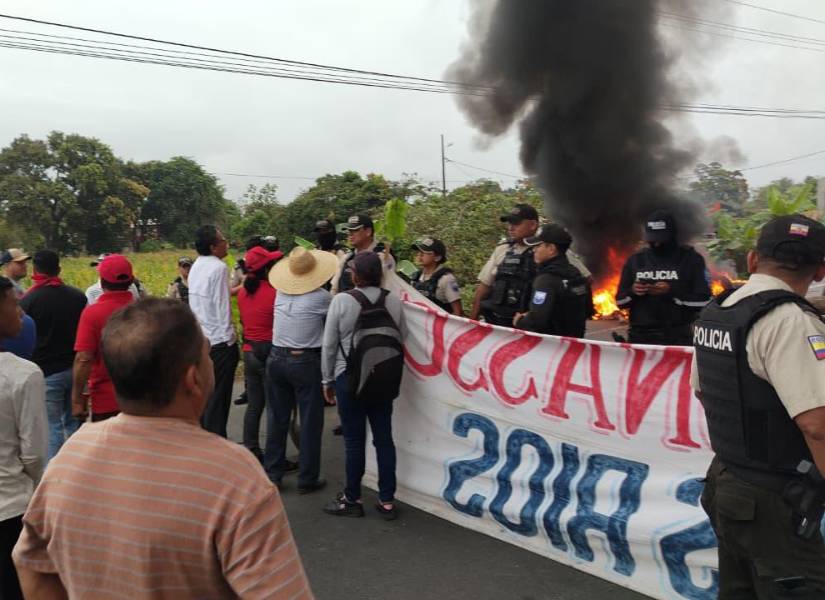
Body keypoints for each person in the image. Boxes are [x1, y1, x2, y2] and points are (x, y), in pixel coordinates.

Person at [13, 298, 313, 599]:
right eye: (206, 354)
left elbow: (30, 564)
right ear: (193, 379)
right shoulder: (235, 475)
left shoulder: (72, 454)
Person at [692, 214, 825, 597]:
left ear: (752, 259)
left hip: (728, 481)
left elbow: (702, 391)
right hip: (776, 497)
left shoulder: (717, 313)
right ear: (820, 270)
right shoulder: (790, 322)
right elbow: (817, 424)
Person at [322, 252, 405, 520]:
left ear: (357, 275)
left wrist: (327, 380)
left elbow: (329, 345)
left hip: (348, 379)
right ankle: (387, 500)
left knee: (354, 441)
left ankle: (352, 499)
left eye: (352, 270)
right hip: (384, 379)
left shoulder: (342, 301)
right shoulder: (393, 300)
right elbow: (402, 337)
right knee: (384, 439)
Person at [265, 247, 338, 491]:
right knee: (309, 421)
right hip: (304, 361)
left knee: (277, 419)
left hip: (276, 357)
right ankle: (307, 479)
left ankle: (273, 474)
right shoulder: (322, 297)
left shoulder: (280, 293)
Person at [0, 276, 47, 600]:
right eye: (14, 303)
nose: (21, 312)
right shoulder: (23, 374)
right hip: (10, 509)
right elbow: (33, 455)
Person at [20, 250, 87, 459]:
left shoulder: (28, 301)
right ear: (59, 268)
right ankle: (77, 466)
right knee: (73, 423)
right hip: (75, 370)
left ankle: (54, 471)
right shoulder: (78, 297)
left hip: (47, 372)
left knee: (52, 427)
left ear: (34, 270)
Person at [615, 209, 711, 345]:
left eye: (661, 239)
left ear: (673, 235)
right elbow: (620, 302)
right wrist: (633, 292)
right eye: (652, 239)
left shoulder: (691, 259)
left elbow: (704, 302)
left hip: (678, 337)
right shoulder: (636, 260)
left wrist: (671, 293)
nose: (656, 244)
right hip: (640, 337)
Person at [189, 225, 240, 438]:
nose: (226, 243)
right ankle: (217, 443)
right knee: (219, 401)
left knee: (206, 399)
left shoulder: (196, 265)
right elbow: (222, 306)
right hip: (220, 343)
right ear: (213, 247)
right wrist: (230, 340)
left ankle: (203, 441)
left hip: (202, 340)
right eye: (222, 240)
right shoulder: (218, 268)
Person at [72, 254, 136, 423]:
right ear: (131, 280)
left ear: (101, 281)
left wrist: (77, 399)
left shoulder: (92, 314)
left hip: (106, 402)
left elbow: (84, 359)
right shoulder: (145, 312)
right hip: (143, 400)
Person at [237, 245, 283, 462]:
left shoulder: (243, 293)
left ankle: (251, 448)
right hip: (269, 352)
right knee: (275, 408)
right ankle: (275, 458)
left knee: (255, 405)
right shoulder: (275, 293)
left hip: (249, 351)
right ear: (266, 269)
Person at [513, 224, 592, 337]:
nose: (534, 250)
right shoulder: (576, 274)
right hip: (574, 342)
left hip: (549, 343)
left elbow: (536, 320)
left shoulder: (546, 280)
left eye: (538, 246)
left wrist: (520, 321)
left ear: (551, 249)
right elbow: (588, 311)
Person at [471, 204, 539, 326]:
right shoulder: (503, 249)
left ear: (533, 225)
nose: (511, 228)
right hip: (498, 323)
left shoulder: (547, 250)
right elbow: (484, 288)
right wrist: (472, 322)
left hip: (528, 326)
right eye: (509, 223)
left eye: (516, 223)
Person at [330, 214, 396, 294]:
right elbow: (334, 289)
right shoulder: (347, 257)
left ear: (368, 232)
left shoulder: (382, 257)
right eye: (349, 230)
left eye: (355, 230)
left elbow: (387, 288)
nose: (350, 234)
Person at [410, 237, 464, 315]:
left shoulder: (446, 279)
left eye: (424, 252)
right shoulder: (416, 277)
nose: (420, 255)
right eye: (419, 252)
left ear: (437, 257)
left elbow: (458, 311)